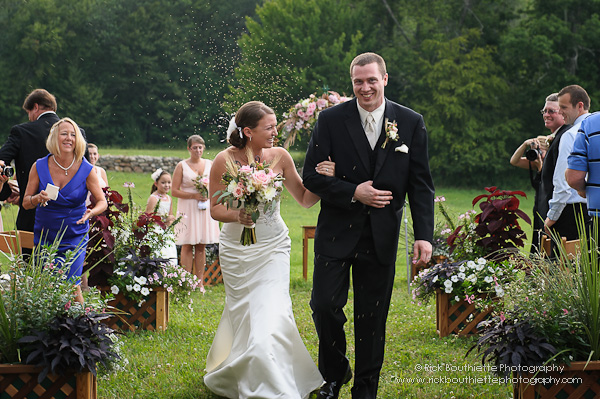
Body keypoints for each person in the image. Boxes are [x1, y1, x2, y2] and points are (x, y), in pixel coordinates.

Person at [302, 52, 435, 399]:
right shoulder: (331, 120)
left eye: (371, 80)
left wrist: (424, 236)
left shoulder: (410, 122)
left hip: (382, 236)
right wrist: (353, 192)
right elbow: (310, 177)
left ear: (385, 79)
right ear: (352, 83)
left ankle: (365, 390)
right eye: (358, 82)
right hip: (335, 231)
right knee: (324, 304)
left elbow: (421, 184)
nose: (365, 88)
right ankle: (333, 374)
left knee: (371, 319)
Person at [204, 101, 336, 398]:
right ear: (248, 131)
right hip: (237, 248)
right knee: (246, 313)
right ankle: (245, 370)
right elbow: (214, 208)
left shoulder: (281, 156)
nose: (276, 132)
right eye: (270, 127)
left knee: (272, 311)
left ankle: (274, 384)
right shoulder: (224, 160)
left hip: (274, 246)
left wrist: (325, 180)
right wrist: (237, 214)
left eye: (276, 125)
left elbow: (304, 198)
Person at [20, 118, 107, 303]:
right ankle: (53, 328)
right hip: (46, 234)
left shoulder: (86, 169)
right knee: (48, 283)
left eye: (73, 135)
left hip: (74, 234)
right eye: (64, 134)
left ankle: (82, 326)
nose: (69, 138)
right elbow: (26, 203)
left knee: (72, 283)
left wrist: (91, 212)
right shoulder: (39, 166)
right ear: (54, 138)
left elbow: (102, 202)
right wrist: (37, 198)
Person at [509, 93, 568, 252]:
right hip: (540, 208)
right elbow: (514, 161)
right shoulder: (539, 156)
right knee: (538, 247)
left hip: (555, 210)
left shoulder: (563, 142)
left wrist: (542, 164)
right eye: (544, 111)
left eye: (551, 111)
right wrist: (526, 144)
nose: (546, 115)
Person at [0, 89, 60, 232]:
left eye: (29, 113)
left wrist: (7, 190)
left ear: (36, 107)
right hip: (66, 215)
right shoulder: (76, 132)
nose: (30, 118)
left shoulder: (22, 131)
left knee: (27, 253)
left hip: (31, 212)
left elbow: (1, 162)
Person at [172, 135, 220, 288]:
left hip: (204, 208)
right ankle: (186, 281)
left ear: (203, 148)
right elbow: (174, 191)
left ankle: (199, 283)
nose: (198, 150)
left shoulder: (210, 164)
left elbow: (216, 185)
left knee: (201, 245)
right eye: (195, 147)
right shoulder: (181, 166)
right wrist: (193, 195)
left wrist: (208, 195)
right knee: (187, 244)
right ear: (189, 149)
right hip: (188, 207)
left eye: (200, 147)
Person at [545, 85, 591, 242]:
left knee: (565, 264)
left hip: (572, 213)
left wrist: (552, 216)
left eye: (563, 107)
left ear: (579, 106)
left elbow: (563, 182)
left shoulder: (571, 135)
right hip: (594, 210)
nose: (560, 111)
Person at [146, 168, 177, 265]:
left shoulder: (169, 199)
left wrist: (170, 221)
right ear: (156, 184)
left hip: (166, 231)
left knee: (169, 254)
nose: (167, 185)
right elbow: (148, 217)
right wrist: (163, 220)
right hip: (155, 231)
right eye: (163, 182)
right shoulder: (153, 198)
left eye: (169, 182)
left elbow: (170, 214)